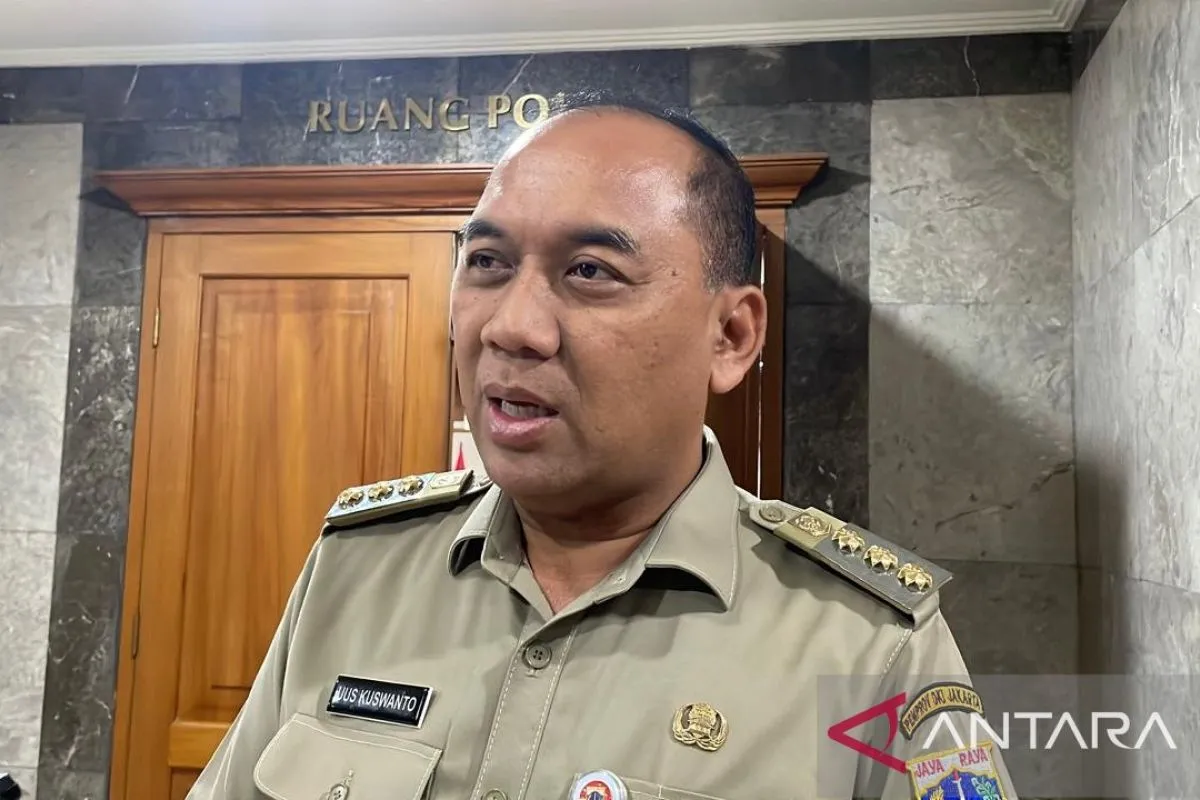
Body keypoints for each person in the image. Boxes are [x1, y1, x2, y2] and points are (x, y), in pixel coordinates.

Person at [188, 93, 1019, 800]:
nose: (511, 326)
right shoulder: (357, 570)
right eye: (487, 261)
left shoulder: (869, 645)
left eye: (589, 271)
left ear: (731, 336)